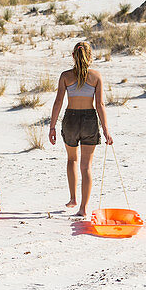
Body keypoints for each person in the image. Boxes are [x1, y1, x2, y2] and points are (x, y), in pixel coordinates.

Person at [48, 41, 113, 216]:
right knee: (86, 166)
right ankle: (83, 208)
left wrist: (52, 126)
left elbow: (58, 102)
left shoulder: (65, 76)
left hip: (71, 119)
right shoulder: (96, 77)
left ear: (73, 57)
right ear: (90, 56)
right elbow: (100, 104)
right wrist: (106, 130)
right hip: (89, 120)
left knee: (72, 160)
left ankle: (73, 198)